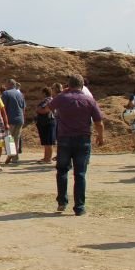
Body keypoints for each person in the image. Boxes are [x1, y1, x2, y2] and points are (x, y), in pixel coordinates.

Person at [49, 74, 105, 216]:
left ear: (69, 85)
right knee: (80, 174)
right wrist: (100, 136)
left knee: (62, 170)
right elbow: (98, 122)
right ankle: (79, 207)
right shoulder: (89, 100)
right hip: (83, 139)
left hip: (64, 138)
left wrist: (63, 93)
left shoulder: (62, 98)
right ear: (82, 85)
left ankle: (62, 201)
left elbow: (49, 107)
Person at [1, 79, 26, 164]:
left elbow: (3, 107)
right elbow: (23, 107)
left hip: (10, 119)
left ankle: (10, 154)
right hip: (20, 119)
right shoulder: (20, 94)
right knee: (16, 138)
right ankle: (15, 158)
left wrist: (3, 120)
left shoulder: (6, 93)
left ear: (9, 84)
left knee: (8, 138)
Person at [35, 87, 57, 163]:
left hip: (48, 122)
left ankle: (48, 159)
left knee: (48, 142)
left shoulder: (48, 100)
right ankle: (46, 157)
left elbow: (45, 110)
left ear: (44, 93)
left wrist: (38, 110)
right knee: (46, 141)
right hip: (46, 122)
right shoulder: (49, 100)